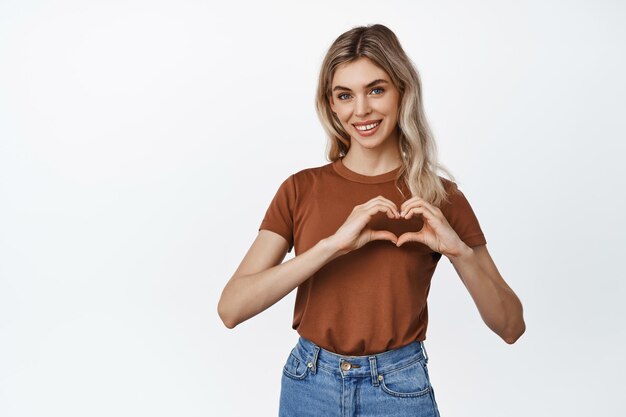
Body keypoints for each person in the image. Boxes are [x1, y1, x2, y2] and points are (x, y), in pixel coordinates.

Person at [217, 23, 525, 417]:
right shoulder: (300, 189)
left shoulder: (440, 198)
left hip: (397, 388)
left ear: (402, 93)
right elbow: (231, 308)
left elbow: (511, 326)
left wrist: (459, 253)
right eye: (344, 95)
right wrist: (331, 246)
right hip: (308, 384)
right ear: (331, 105)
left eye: (376, 90)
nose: (360, 110)